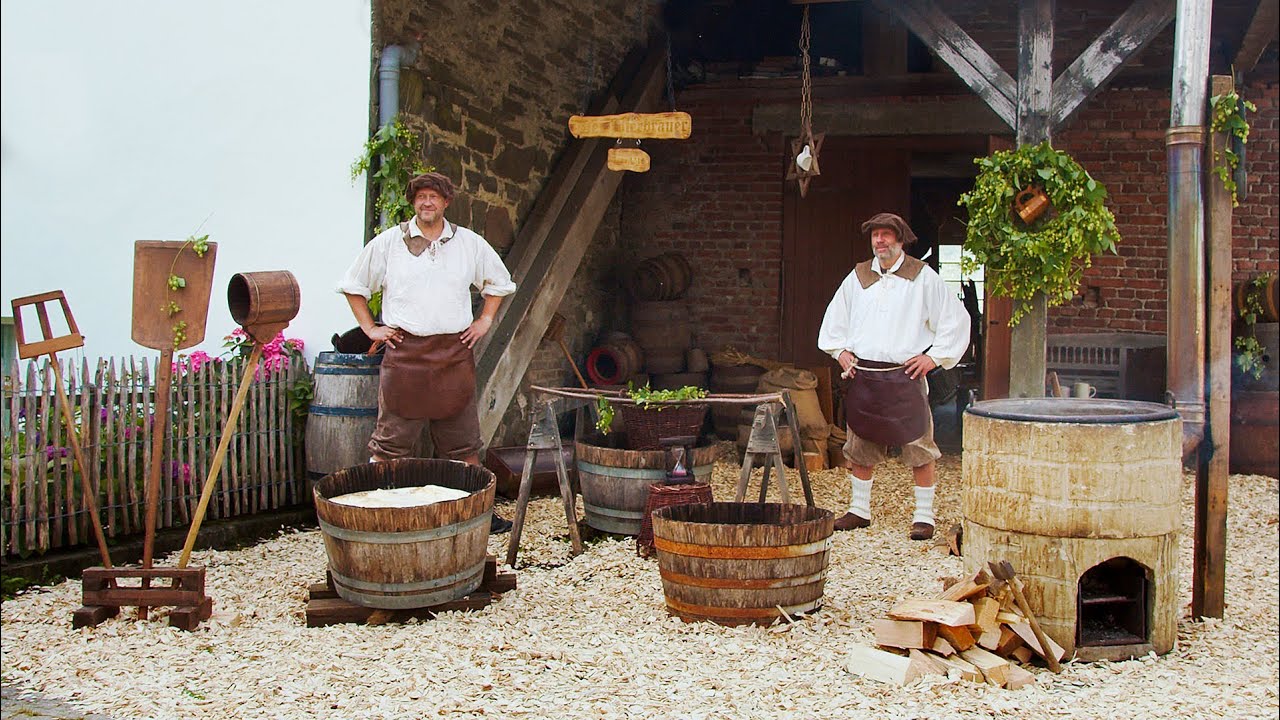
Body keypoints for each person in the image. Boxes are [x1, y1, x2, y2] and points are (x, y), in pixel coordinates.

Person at [338, 172, 517, 533]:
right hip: (405, 354)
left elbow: (499, 282)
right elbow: (352, 286)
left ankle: (472, 513)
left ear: (446, 202)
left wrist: (485, 320)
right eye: (420, 196)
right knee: (390, 443)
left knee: (463, 442)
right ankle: (378, 516)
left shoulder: (469, 244)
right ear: (413, 202)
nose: (426, 202)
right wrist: (371, 328)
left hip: (453, 355)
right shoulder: (389, 243)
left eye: (434, 196)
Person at [816, 212, 970, 540]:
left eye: (887, 235)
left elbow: (955, 319)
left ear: (901, 240)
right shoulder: (858, 277)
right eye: (875, 235)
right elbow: (835, 318)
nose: (880, 241)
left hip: (905, 377)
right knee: (859, 446)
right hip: (865, 377)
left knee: (919, 445)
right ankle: (859, 510)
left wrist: (934, 357)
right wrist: (839, 351)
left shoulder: (922, 277)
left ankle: (924, 516)